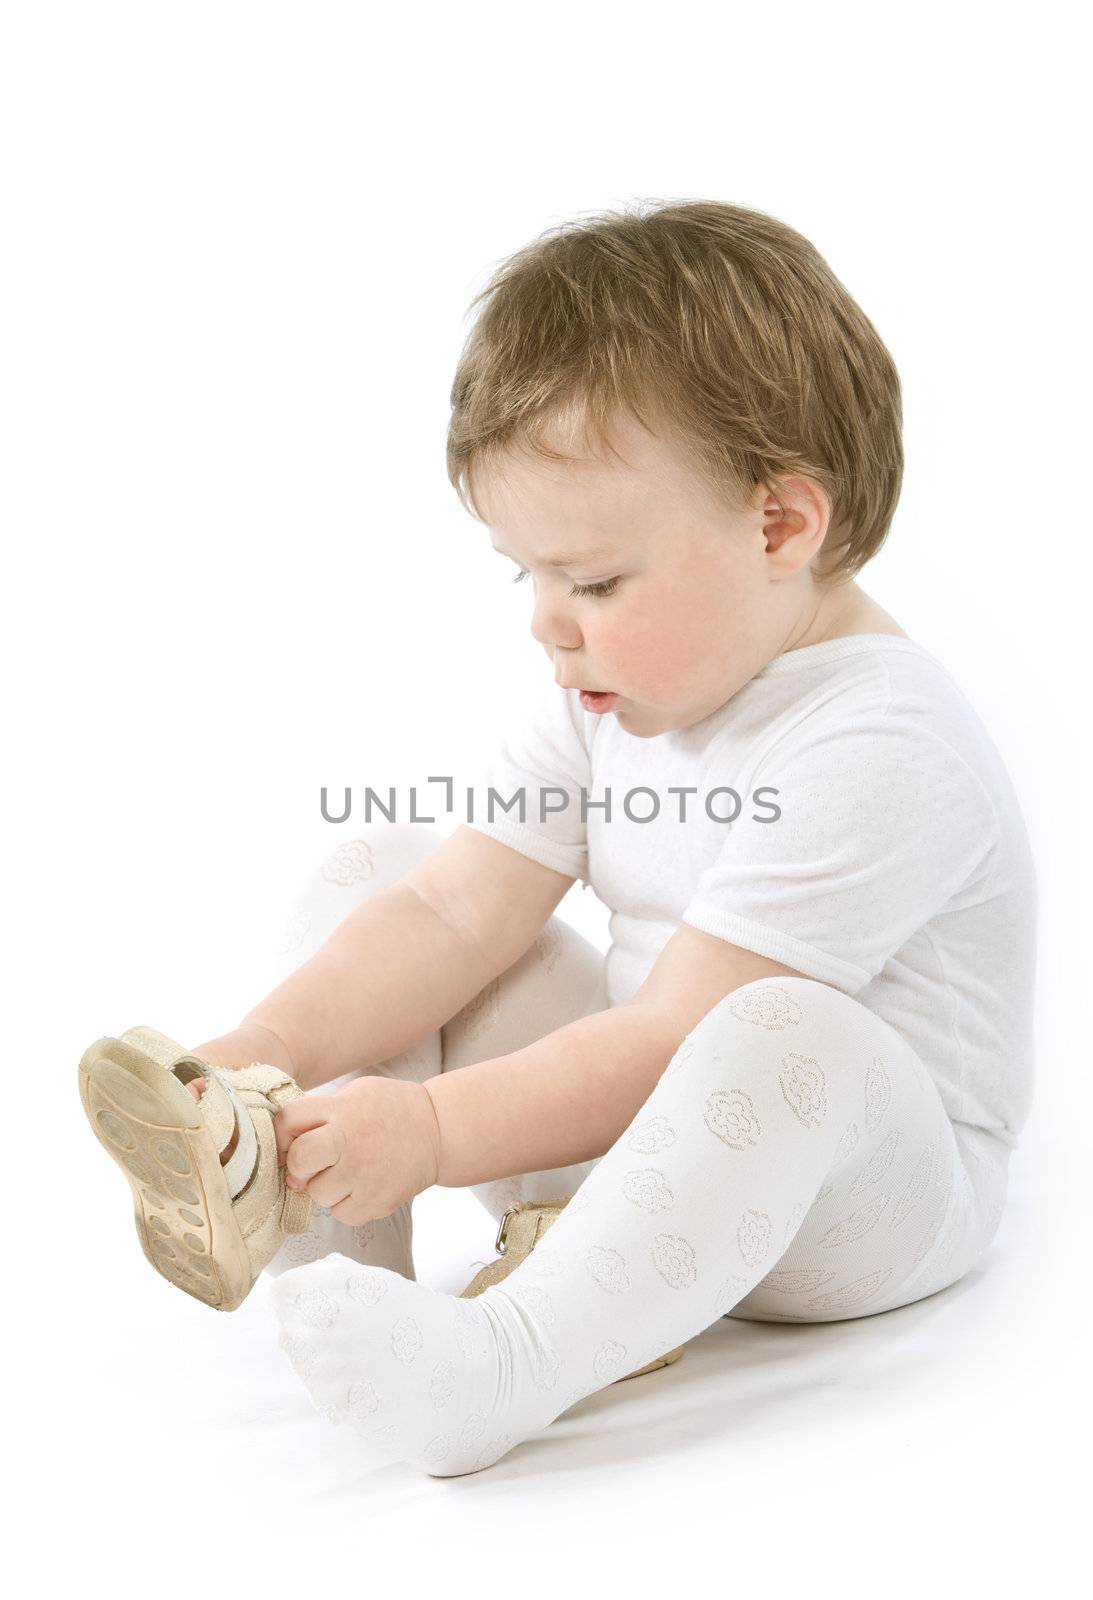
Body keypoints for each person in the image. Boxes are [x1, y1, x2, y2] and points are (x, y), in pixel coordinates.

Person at [103, 200, 1040, 1477]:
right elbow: (454, 915)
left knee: (773, 1030)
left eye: (592, 581)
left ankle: (510, 1363)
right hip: (641, 1146)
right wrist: (261, 1048)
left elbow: (676, 1039)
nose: (550, 624)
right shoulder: (607, 688)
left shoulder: (880, 740)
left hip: (850, 1204)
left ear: (780, 528)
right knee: (388, 872)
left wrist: (431, 1133)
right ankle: (303, 1203)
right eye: (524, 573)